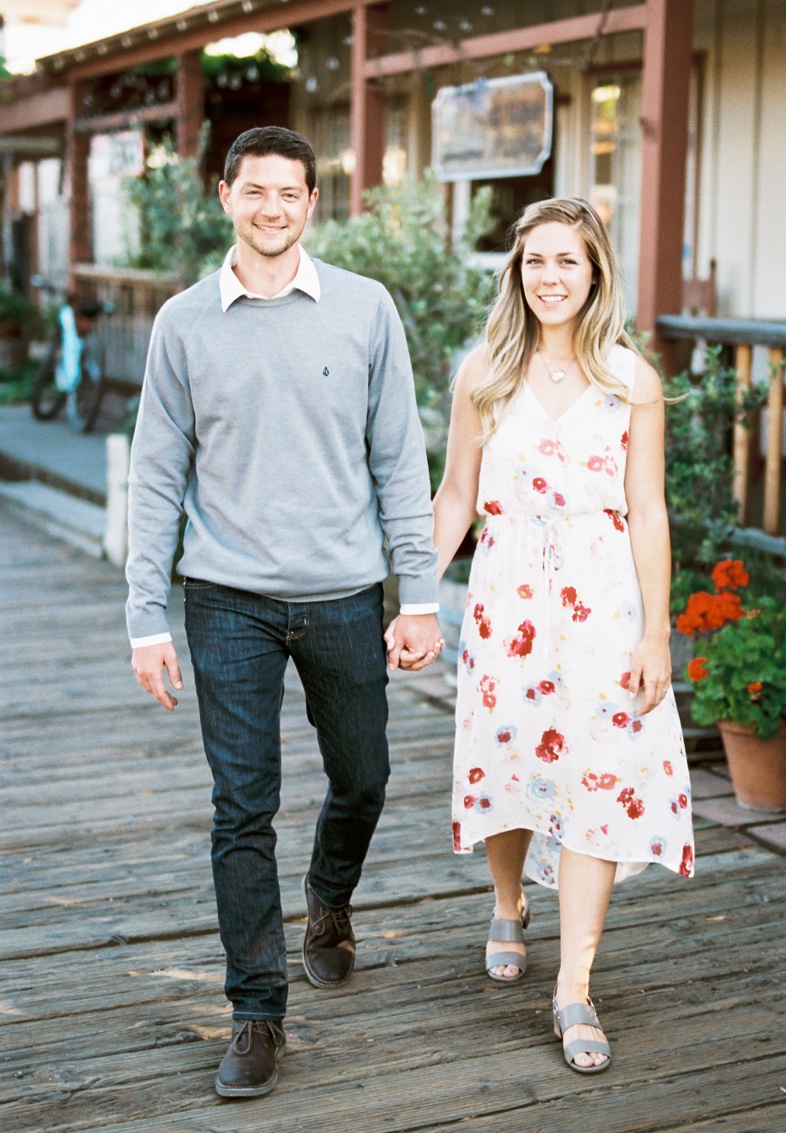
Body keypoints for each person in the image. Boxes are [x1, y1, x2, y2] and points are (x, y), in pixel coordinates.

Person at [126, 126, 443, 1099]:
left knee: (366, 775)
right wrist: (146, 614)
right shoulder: (183, 323)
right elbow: (154, 475)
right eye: (253, 190)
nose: (272, 207)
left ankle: (329, 898)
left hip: (345, 592)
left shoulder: (363, 308)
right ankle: (256, 1009)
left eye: (289, 193)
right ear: (225, 196)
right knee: (241, 805)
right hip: (226, 598)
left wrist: (418, 592)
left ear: (312, 202)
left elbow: (398, 456)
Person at [389, 198, 694, 1074]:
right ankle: (509, 897)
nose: (550, 278)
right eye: (534, 263)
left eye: (567, 261)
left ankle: (575, 984)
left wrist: (657, 633)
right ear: (516, 275)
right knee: (510, 755)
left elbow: (649, 512)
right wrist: (415, 596)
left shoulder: (630, 379)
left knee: (599, 772)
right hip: (506, 598)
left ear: (595, 273)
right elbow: (454, 495)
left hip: (603, 606)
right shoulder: (485, 369)